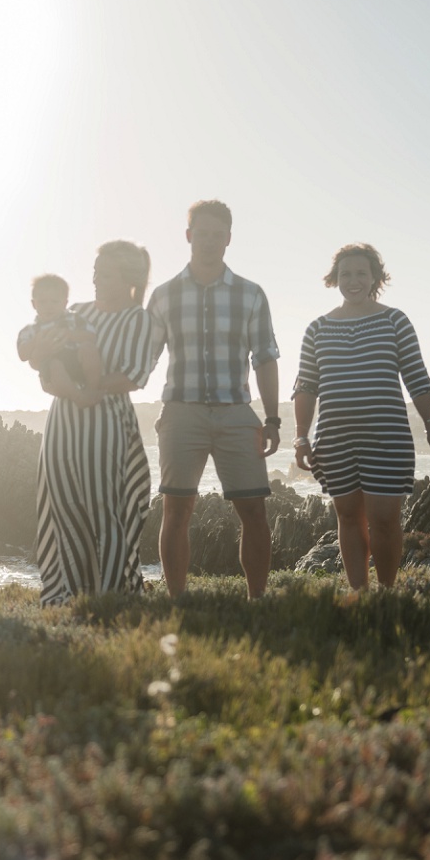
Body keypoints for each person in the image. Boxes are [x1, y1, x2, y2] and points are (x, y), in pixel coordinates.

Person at [292, 243, 430, 591]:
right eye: (346, 273)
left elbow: (417, 380)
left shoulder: (395, 320)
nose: (353, 280)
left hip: (386, 436)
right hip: (335, 438)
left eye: (361, 273)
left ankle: (387, 590)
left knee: (384, 520)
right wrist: (301, 435)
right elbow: (305, 386)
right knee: (347, 517)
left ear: (375, 277)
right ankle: (359, 591)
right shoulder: (317, 328)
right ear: (335, 278)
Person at [145, 200, 280, 599]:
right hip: (181, 412)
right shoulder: (165, 295)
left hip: (236, 413)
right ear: (188, 236)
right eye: (200, 233)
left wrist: (272, 419)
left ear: (228, 239)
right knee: (176, 510)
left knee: (254, 512)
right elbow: (145, 359)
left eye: (216, 235)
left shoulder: (251, 294)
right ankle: (177, 600)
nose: (208, 241)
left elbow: (266, 357)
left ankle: (257, 600)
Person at [28, 243, 156, 606]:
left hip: (107, 421)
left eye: (105, 273)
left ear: (127, 278)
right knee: (63, 505)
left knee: (106, 508)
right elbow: (41, 359)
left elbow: (134, 375)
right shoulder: (76, 312)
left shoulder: (138, 319)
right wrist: (43, 363)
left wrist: (88, 389)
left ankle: (112, 593)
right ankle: (69, 592)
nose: (96, 278)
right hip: (62, 421)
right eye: (95, 271)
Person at [16, 274, 101, 402]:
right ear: (34, 304)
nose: (49, 306)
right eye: (42, 302)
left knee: (88, 349)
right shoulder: (31, 330)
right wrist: (35, 342)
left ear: (65, 303)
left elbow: (91, 337)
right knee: (54, 366)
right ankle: (77, 397)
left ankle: (93, 389)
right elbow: (23, 355)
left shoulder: (74, 319)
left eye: (54, 301)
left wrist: (70, 335)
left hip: (76, 358)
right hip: (53, 364)